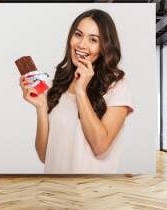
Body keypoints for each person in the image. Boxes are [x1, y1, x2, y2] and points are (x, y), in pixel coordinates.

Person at [19, 9, 133, 174]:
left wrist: (81, 92)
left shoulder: (118, 87)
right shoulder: (56, 85)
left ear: (104, 47)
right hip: (54, 192)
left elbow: (100, 145)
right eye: (78, 35)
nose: (81, 44)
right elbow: (45, 155)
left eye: (93, 39)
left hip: (91, 194)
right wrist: (41, 108)